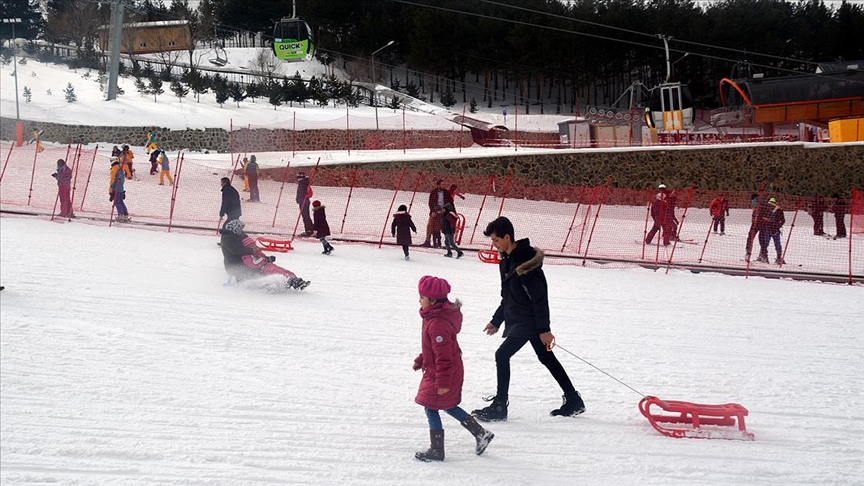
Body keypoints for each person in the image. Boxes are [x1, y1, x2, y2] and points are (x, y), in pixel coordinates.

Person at [472, 216, 585, 422]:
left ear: (507, 237)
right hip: (520, 319)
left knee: (502, 355)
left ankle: (499, 406)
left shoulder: (525, 262)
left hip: (528, 321)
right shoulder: (506, 261)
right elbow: (507, 296)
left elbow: (540, 298)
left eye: (496, 240)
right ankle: (573, 399)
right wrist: (497, 321)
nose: (494, 244)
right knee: (546, 358)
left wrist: (544, 329)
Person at [413, 275, 494, 462]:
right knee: (447, 405)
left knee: (431, 407)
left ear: (432, 300)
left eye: (422, 297)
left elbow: (443, 356)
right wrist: (421, 359)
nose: (419, 300)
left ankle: (437, 450)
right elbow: (433, 348)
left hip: (443, 373)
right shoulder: (434, 317)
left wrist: (443, 382)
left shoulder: (437, 323)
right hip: (440, 370)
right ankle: (481, 433)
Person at [219, 219, 309, 290]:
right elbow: (235, 251)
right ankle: (286, 281)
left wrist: (264, 257)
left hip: (243, 263)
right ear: (234, 229)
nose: (240, 231)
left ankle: (293, 280)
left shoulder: (236, 237)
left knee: (267, 268)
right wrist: (252, 251)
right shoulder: (228, 239)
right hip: (236, 265)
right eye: (239, 229)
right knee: (263, 270)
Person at [422, 180, 452, 248]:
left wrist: (445, 210)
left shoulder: (447, 192)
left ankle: (448, 242)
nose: (443, 186)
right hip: (435, 211)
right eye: (442, 185)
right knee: (430, 224)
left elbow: (450, 202)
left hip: (444, 211)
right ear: (438, 185)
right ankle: (427, 241)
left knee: (446, 226)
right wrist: (433, 211)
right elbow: (431, 203)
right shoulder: (433, 192)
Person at [757, 197, 786, 264]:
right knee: (765, 243)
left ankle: (779, 257)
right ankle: (762, 256)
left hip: (775, 231)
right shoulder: (767, 210)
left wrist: (778, 225)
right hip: (768, 229)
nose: (770, 206)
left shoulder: (779, 211)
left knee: (777, 244)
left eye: (771, 205)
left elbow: (783, 220)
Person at [745, 193, 768, 262]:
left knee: (750, 238)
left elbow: (756, 211)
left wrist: (756, 219)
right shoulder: (763, 202)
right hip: (763, 224)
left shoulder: (756, 202)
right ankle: (764, 255)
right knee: (762, 240)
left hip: (757, 223)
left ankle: (748, 253)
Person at [109, 157, 130, 222]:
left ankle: (121, 215)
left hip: (116, 188)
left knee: (117, 202)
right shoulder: (121, 169)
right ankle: (125, 215)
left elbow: (112, 179)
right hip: (120, 188)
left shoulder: (114, 169)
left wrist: (111, 188)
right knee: (121, 202)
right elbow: (123, 180)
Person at [296, 171, 314, 236]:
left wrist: (300, 199)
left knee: (305, 216)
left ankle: (309, 230)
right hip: (304, 201)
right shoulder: (304, 182)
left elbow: (301, 193)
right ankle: (310, 229)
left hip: (304, 201)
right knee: (306, 216)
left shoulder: (302, 183)